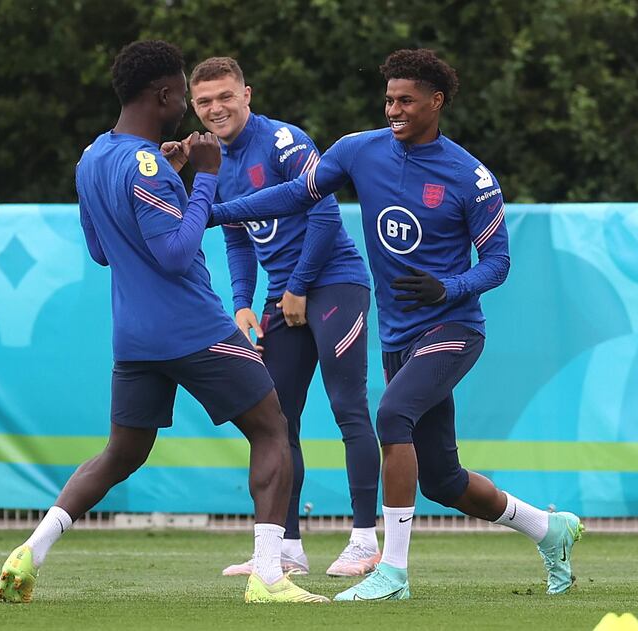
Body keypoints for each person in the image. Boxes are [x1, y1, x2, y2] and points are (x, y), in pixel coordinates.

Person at [209, 48, 584, 601]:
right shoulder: (357, 151)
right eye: (388, 99)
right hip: (400, 338)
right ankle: (548, 528)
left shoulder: (472, 177)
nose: (393, 110)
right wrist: (213, 212)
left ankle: (392, 572)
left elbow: (498, 263)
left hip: (454, 330)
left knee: (390, 415)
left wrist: (450, 287)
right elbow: (298, 194)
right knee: (443, 481)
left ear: (437, 102)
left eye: (406, 100)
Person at [0, 40, 327, 605]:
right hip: (194, 328)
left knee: (122, 453)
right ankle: (269, 575)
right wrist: (202, 177)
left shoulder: (93, 157)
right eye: (182, 95)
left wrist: (175, 183)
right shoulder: (149, 163)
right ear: (165, 94)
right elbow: (175, 254)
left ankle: (31, 550)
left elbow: (101, 250)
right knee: (272, 430)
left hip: (133, 337)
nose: (188, 111)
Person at [184, 56, 381, 578]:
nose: (215, 108)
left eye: (225, 96)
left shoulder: (282, 141)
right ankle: (286, 549)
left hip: (335, 285)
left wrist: (295, 287)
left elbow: (324, 210)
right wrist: (244, 301)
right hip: (280, 299)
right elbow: (235, 235)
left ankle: (365, 541)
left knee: (348, 408)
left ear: (247, 93)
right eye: (204, 101)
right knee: (274, 421)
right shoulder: (213, 162)